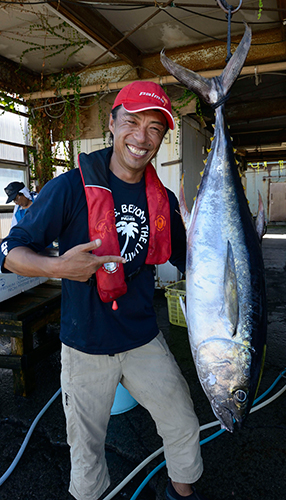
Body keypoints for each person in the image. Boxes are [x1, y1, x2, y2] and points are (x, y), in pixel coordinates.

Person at [0, 81, 207, 500]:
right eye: (131, 122)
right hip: (85, 344)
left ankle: (181, 494)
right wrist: (58, 267)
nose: (141, 137)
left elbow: (196, 264)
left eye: (154, 128)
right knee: (87, 450)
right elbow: (9, 251)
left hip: (141, 337)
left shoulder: (162, 200)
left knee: (183, 423)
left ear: (162, 137)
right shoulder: (70, 187)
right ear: (112, 124)